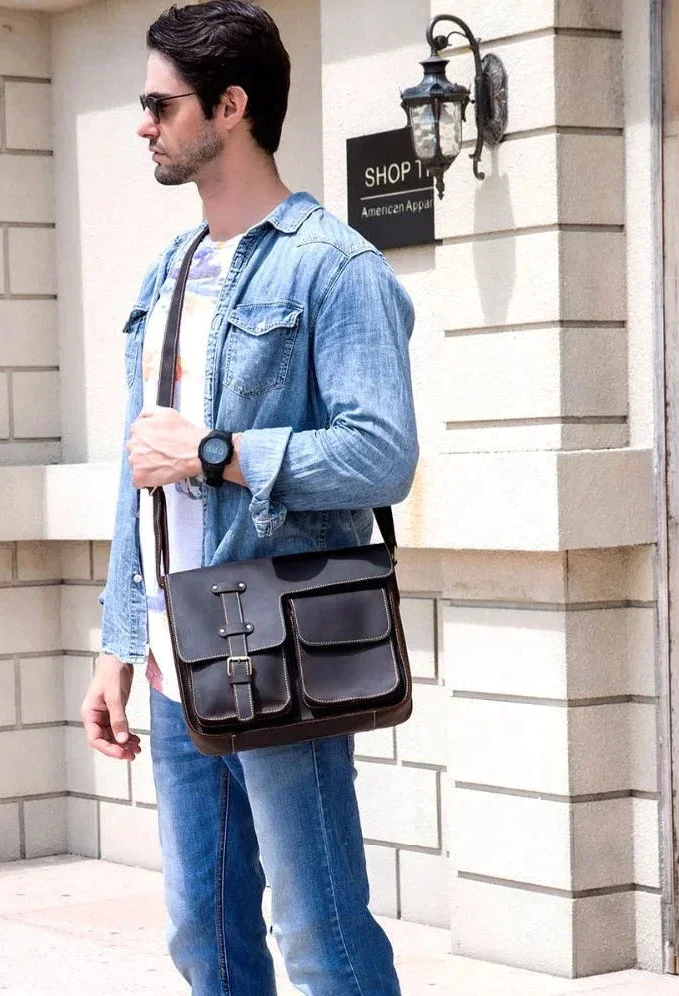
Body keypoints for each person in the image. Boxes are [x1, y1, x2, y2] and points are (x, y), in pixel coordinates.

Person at [81, 3, 418, 993]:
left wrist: (218, 452)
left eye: (159, 102)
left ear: (230, 107)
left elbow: (381, 458)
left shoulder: (335, 266)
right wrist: (119, 643)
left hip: (275, 651)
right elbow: (137, 470)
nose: (143, 122)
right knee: (206, 939)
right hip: (175, 657)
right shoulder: (171, 272)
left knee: (321, 937)